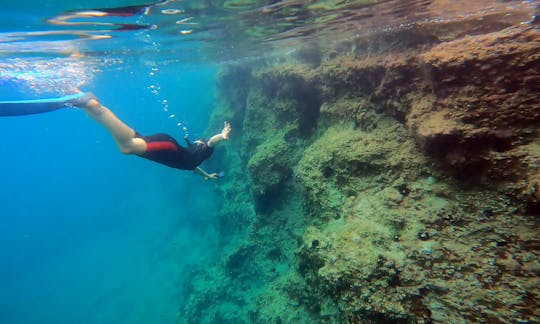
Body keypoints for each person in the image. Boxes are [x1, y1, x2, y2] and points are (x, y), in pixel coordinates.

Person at [0, 92, 231, 180]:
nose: (201, 143)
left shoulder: (194, 161)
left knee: (128, 137)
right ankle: (91, 104)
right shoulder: (201, 153)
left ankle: (89, 107)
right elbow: (211, 142)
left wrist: (208, 176)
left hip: (166, 144)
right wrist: (221, 135)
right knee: (127, 147)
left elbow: (193, 167)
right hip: (166, 147)